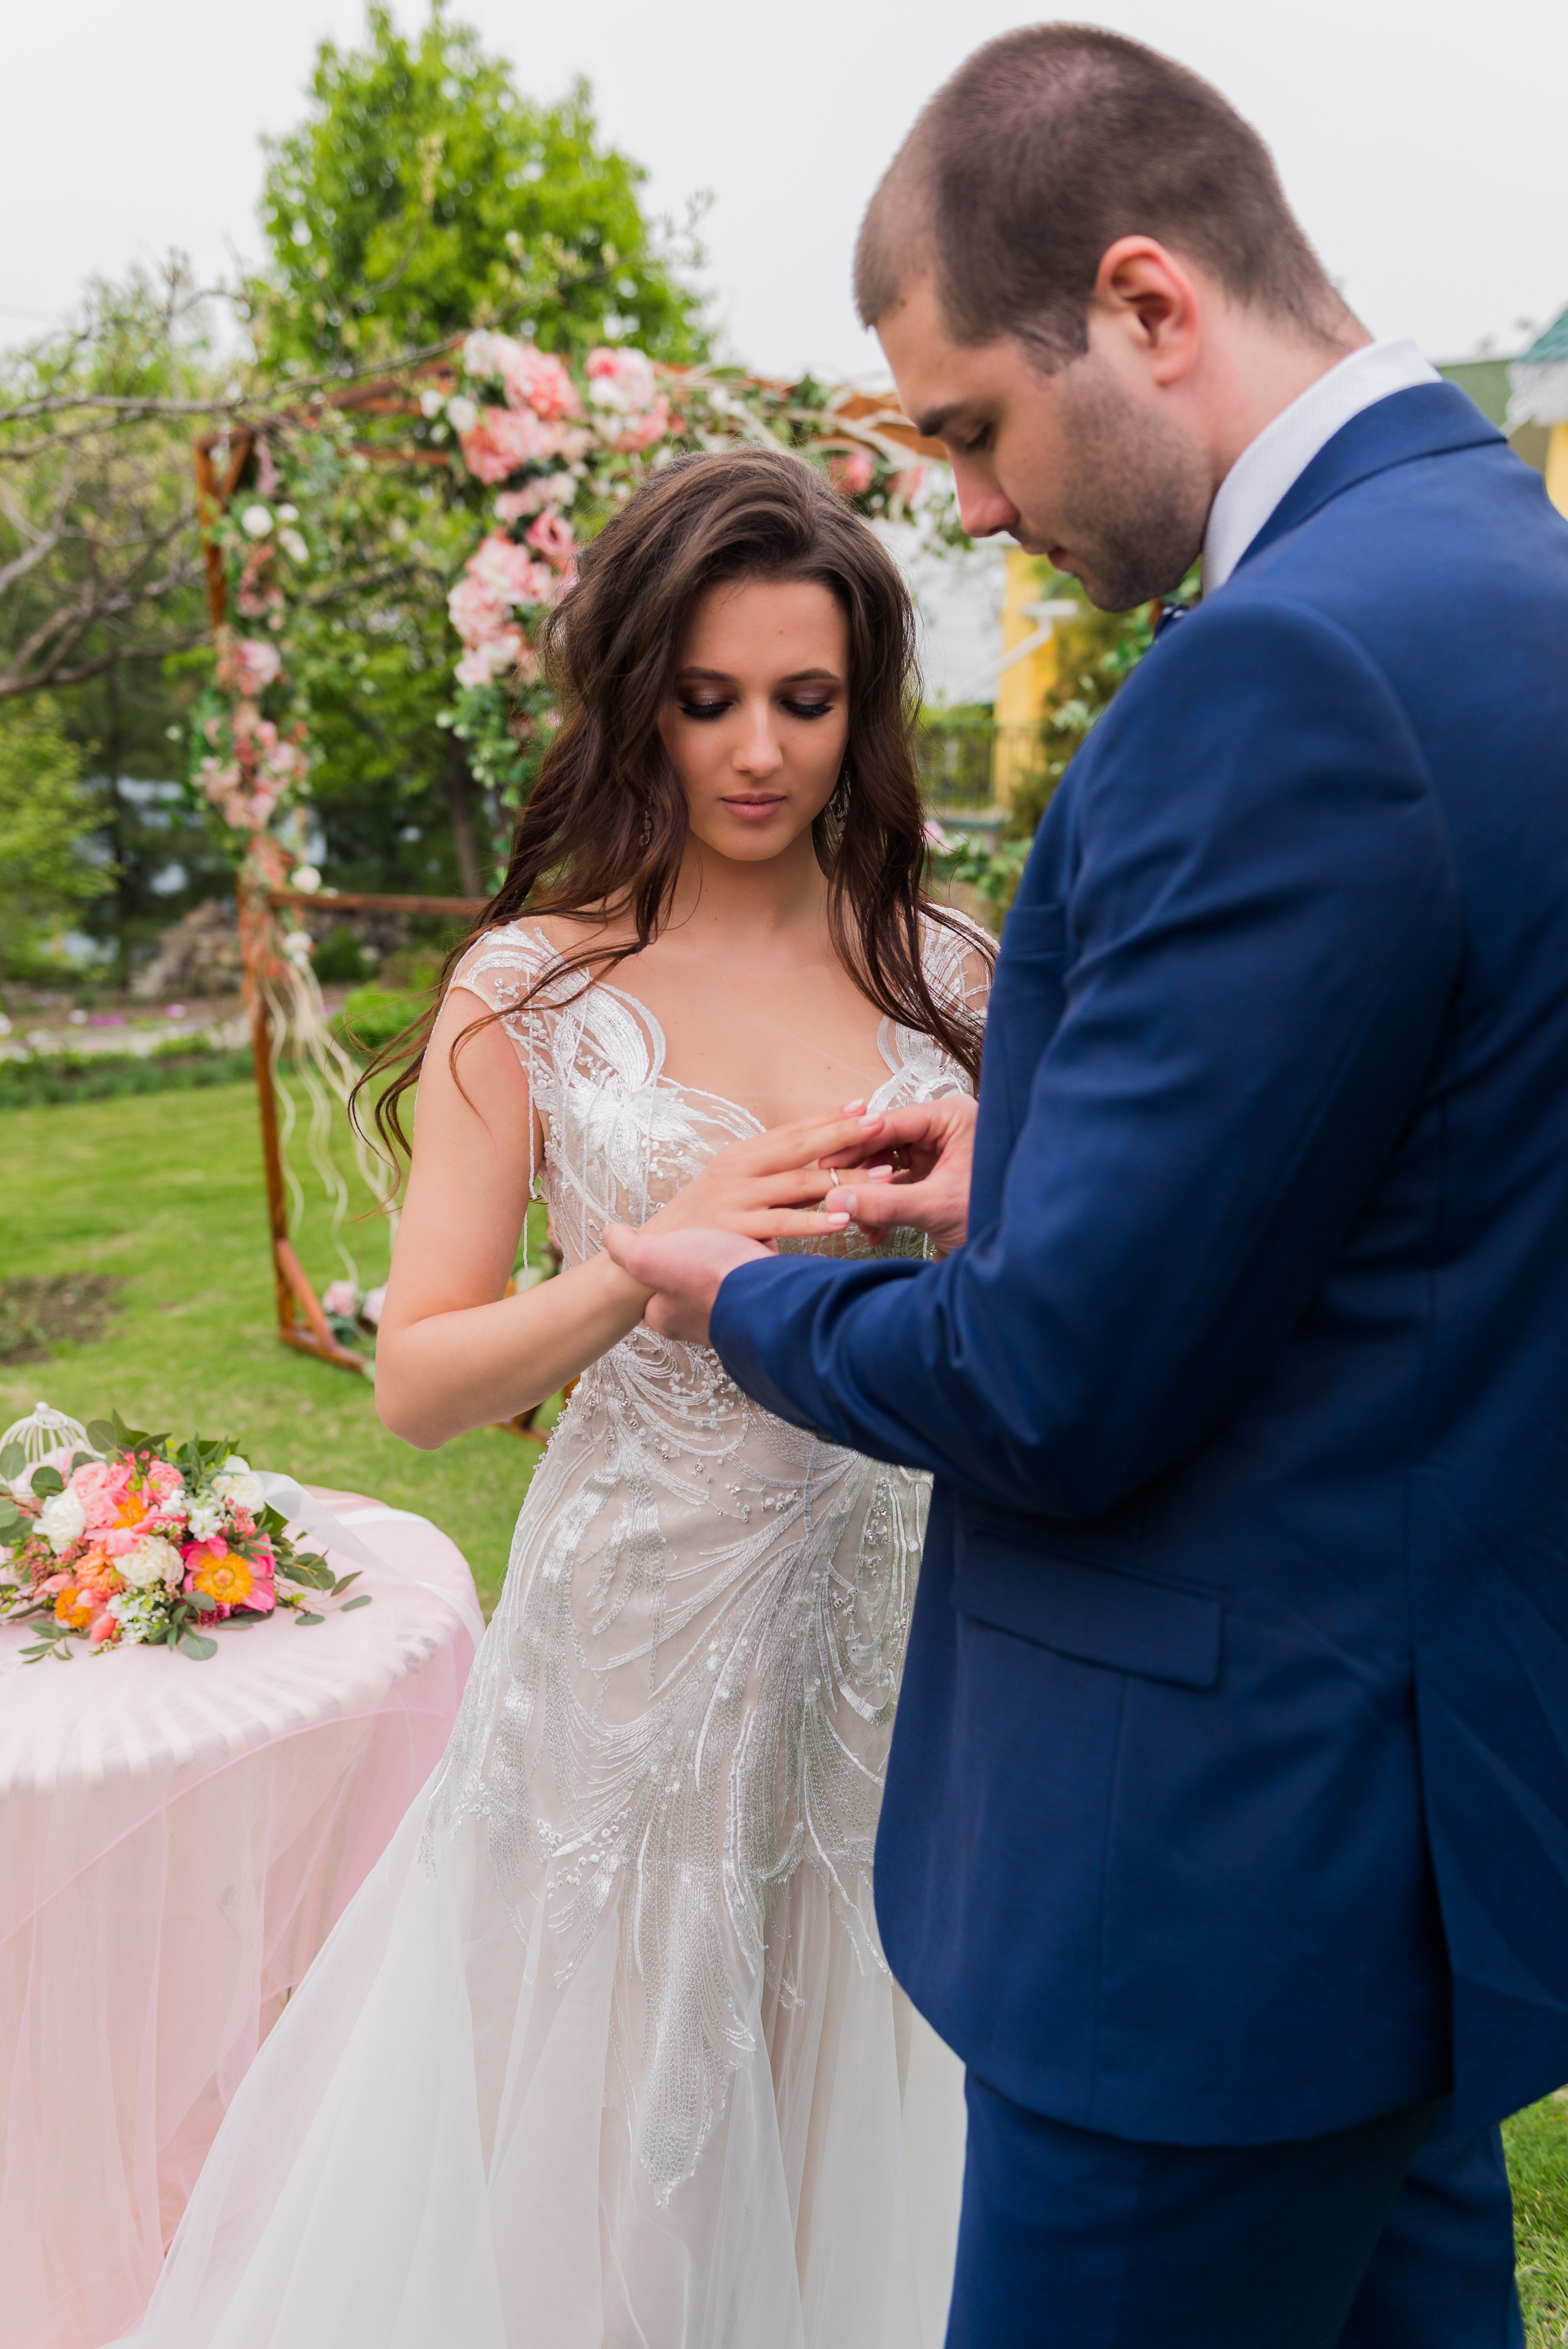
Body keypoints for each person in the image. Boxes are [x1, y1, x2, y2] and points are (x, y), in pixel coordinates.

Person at [608, 26, 1568, 2348]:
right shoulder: (1508, 573)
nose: (978, 508)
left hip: (1204, 1894)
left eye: (970, 429)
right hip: (1408, 1839)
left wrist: (727, 1291)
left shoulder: (1289, 672)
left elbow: (1054, 1386)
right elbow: (1415, 1151)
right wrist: (1023, 1145)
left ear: (1146, 306)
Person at [113, 449, 990, 2348]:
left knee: (857, 2086)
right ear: (636, 701)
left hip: (891, 1654)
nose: (757, 747)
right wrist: (630, 1260)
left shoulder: (953, 983)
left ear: (866, 708)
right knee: (615, 2163)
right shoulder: (530, 990)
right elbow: (417, 1379)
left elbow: (1044, 1315)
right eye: (707, 698)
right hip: (627, 1671)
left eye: (806, 699)